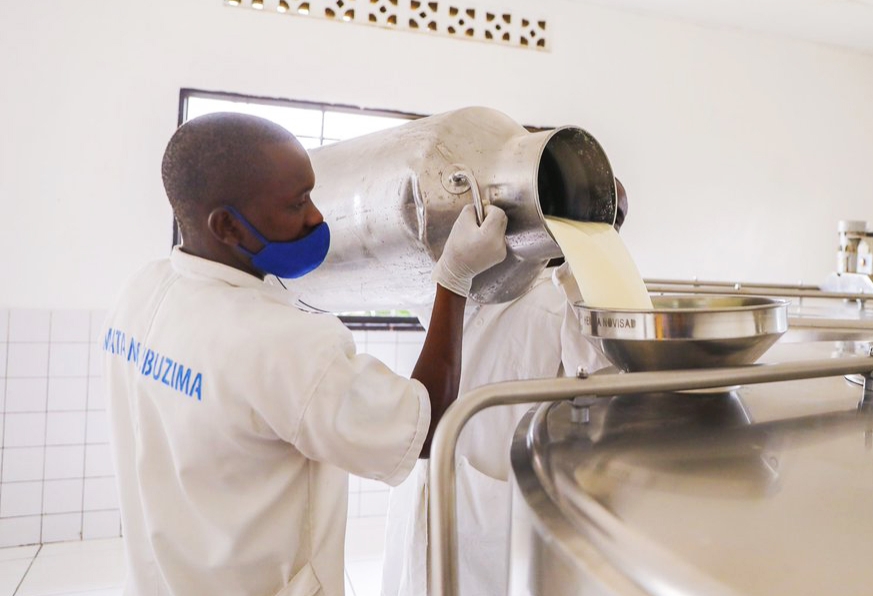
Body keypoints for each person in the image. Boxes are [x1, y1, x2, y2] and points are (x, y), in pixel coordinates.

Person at [101, 112, 508, 596]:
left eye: (313, 194)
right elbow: (423, 425)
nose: (316, 216)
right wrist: (455, 278)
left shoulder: (141, 289)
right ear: (227, 225)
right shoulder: (284, 343)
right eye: (297, 204)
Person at [380, 180, 629, 596]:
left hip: (491, 506)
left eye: (614, 219)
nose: (607, 229)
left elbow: (604, 375)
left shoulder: (570, 300)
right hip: (433, 482)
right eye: (597, 214)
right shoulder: (471, 274)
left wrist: (581, 277)